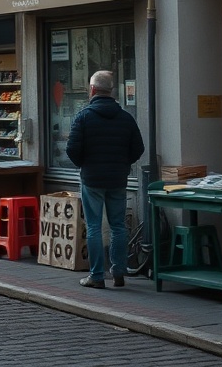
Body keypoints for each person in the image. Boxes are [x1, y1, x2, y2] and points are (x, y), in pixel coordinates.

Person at [66, 70, 145, 289]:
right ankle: (118, 272)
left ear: (92, 89)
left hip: (92, 179)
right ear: (111, 91)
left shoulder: (83, 117)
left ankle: (97, 276)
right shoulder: (125, 118)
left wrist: (84, 164)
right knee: (118, 225)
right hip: (117, 178)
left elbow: (72, 149)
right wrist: (123, 164)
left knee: (93, 226)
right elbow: (138, 148)